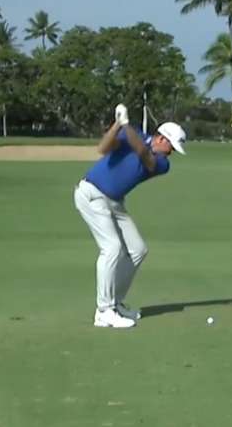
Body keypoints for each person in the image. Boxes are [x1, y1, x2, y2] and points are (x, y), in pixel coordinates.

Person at [72, 105, 186, 329]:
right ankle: (104, 311)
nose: (171, 152)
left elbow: (144, 154)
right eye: (171, 146)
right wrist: (117, 125)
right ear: (161, 138)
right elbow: (103, 148)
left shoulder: (162, 164)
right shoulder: (132, 135)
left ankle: (115, 303)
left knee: (138, 249)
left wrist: (126, 125)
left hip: (114, 202)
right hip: (92, 194)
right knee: (112, 248)